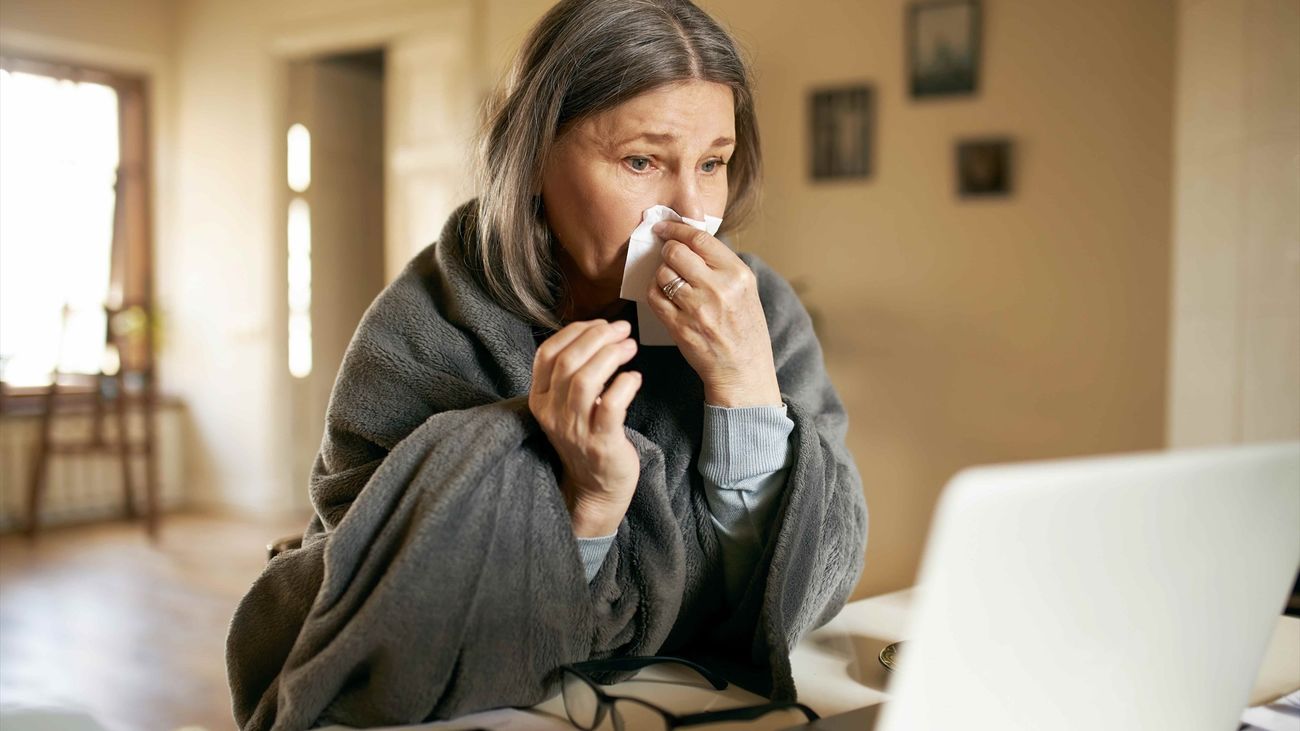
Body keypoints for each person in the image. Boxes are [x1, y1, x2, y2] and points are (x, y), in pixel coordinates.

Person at [226, 1, 867, 728]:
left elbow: (802, 586)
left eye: (713, 162)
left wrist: (746, 392)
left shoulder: (764, 316)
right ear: (533, 158)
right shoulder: (425, 328)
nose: (690, 211)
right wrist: (584, 503)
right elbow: (372, 624)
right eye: (641, 161)